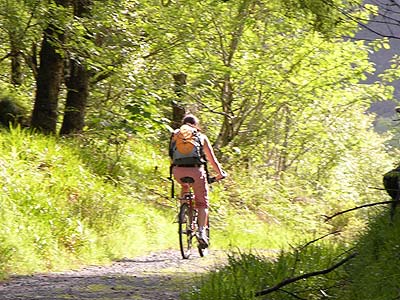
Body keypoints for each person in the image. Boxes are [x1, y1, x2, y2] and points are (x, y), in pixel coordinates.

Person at [170, 114, 226, 248]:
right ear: (196, 125)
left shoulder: (175, 136)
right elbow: (212, 160)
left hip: (178, 171)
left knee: (184, 186)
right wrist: (220, 174)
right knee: (202, 203)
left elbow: (171, 156)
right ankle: (201, 231)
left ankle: (183, 213)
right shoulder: (201, 137)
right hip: (196, 172)